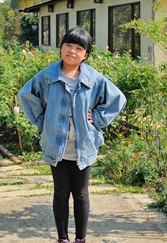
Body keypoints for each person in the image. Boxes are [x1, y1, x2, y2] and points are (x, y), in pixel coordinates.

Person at [17, 27, 127, 243]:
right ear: (61, 48)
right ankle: (63, 238)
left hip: (84, 145)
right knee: (60, 192)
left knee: (80, 193)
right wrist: (42, 120)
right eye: (68, 45)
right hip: (56, 145)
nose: (72, 51)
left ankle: (80, 238)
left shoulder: (94, 78)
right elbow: (26, 94)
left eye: (79, 48)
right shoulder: (48, 76)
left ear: (85, 55)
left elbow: (118, 99)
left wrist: (98, 117)